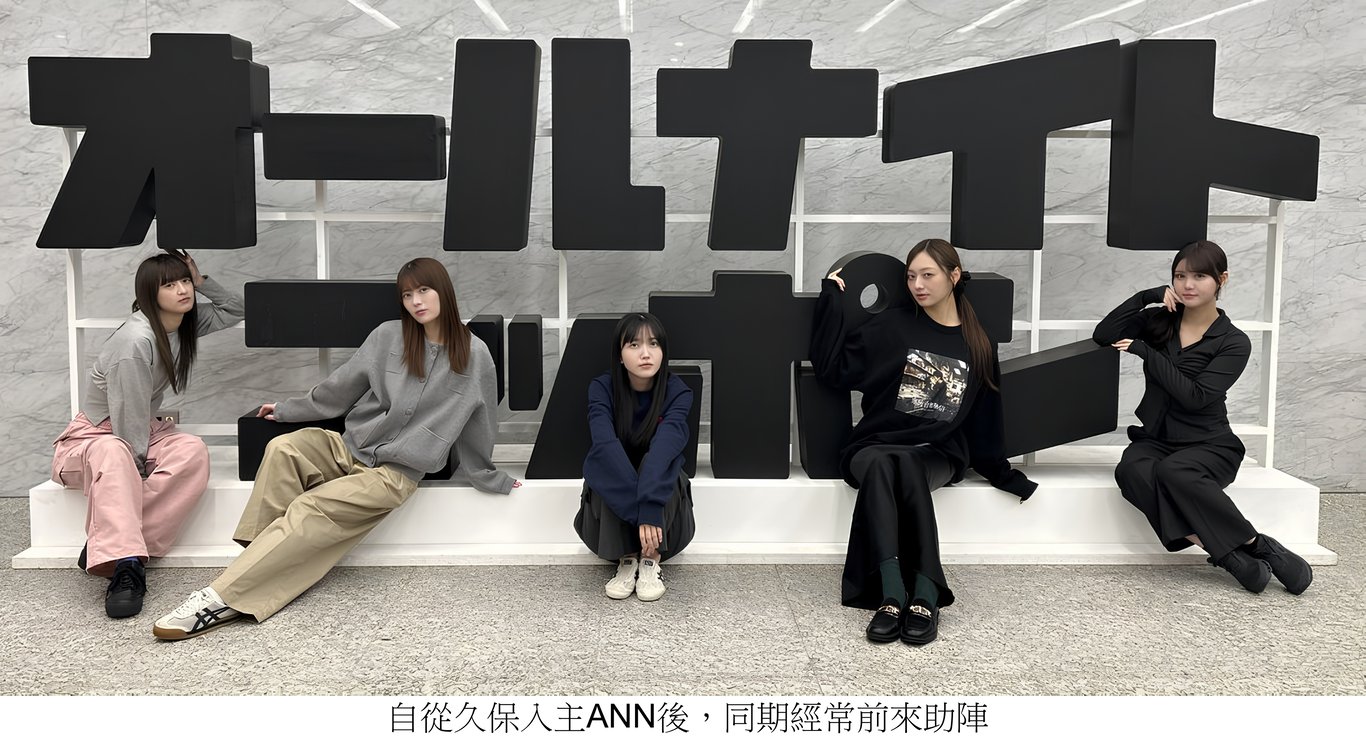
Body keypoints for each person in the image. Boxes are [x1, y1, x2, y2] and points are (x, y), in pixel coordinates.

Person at [152, 258, 519, 639]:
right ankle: (252, 568)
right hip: (349, 447)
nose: (416, 301)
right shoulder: (388, 336)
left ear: (444, 291)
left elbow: (480, 421)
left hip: (393, 474)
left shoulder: (474, 356)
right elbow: (340, 389)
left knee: (311, 507)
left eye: (424, 290)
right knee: (284, 449)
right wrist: (286, 410)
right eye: (407, 294)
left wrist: (488, 475)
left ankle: (218, 599)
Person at [811, 239, 1036, 645]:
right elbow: (833, 369)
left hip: (937, 452)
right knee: (887, 462)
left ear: (954, 276)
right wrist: (831, 300)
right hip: (874, 445)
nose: (917, 285)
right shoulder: (891, 327)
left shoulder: (977, 343)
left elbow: (985, 419)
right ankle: (898, 591)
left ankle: (917, 594)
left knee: (909, 464)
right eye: (911, 276)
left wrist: (1003, 474)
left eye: (928, 275)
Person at [1095, 240, 1311, 595]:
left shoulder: (1233, 342)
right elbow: (1104, 334)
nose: (1187, 285)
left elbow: (1195, 397)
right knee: (1131, 471)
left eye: (1199, 276)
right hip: (1158, 439)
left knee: (1173, 471)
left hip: (1211, 444)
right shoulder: (1158, 321)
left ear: (1221, 280)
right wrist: (1146, 296)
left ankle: (1254, 545)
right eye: (1180, 276)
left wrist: (1147, 353)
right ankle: (1234, 552)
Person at [51, 251, 244, 618]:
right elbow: (127, 419)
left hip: (142, 429)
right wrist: (134, 471)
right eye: (169, 285)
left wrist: (202, 281)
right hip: (93, 439)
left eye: (184, 281)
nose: (182, 290)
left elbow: (237, 309)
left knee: (192, 450)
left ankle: (111, 540)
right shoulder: (134, 342)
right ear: (148, 294)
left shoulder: (180, 324)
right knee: (116, 453)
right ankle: (125, 564)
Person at [575, 313, 695, 601]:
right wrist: (642, 514)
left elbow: (664, 449)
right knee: (609, 464)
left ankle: (651, 559)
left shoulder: (678, 392)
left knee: (662, 465)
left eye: (653, 344)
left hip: (666, 523)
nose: (645, 353)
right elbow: (604, 445)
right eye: (634, 345)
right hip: (607, 522)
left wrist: (651, 510)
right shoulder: (602, 389)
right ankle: (627, 557)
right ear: (619, 355)